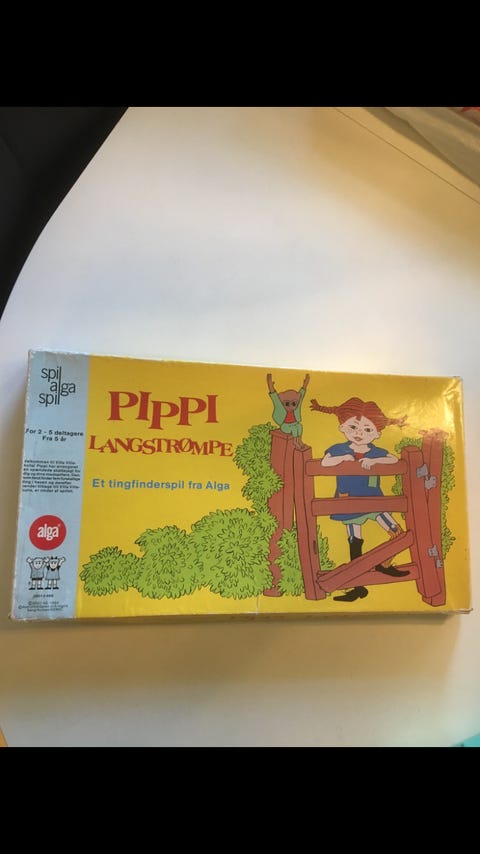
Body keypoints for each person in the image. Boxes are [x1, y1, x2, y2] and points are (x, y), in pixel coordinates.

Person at [310, 396, 409, 602]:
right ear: (342, 427)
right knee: (354, 542)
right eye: (353, 427)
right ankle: (357, 586)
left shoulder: (375, 452)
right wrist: (344, 459)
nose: (359, 433)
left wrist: (374, 461)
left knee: (397, 533)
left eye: (367, 429)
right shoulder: (339, 449)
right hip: (349, 501)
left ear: (377, 434)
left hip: (374, 499)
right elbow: (326, 463)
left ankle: (384, 563)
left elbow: (392, 459)